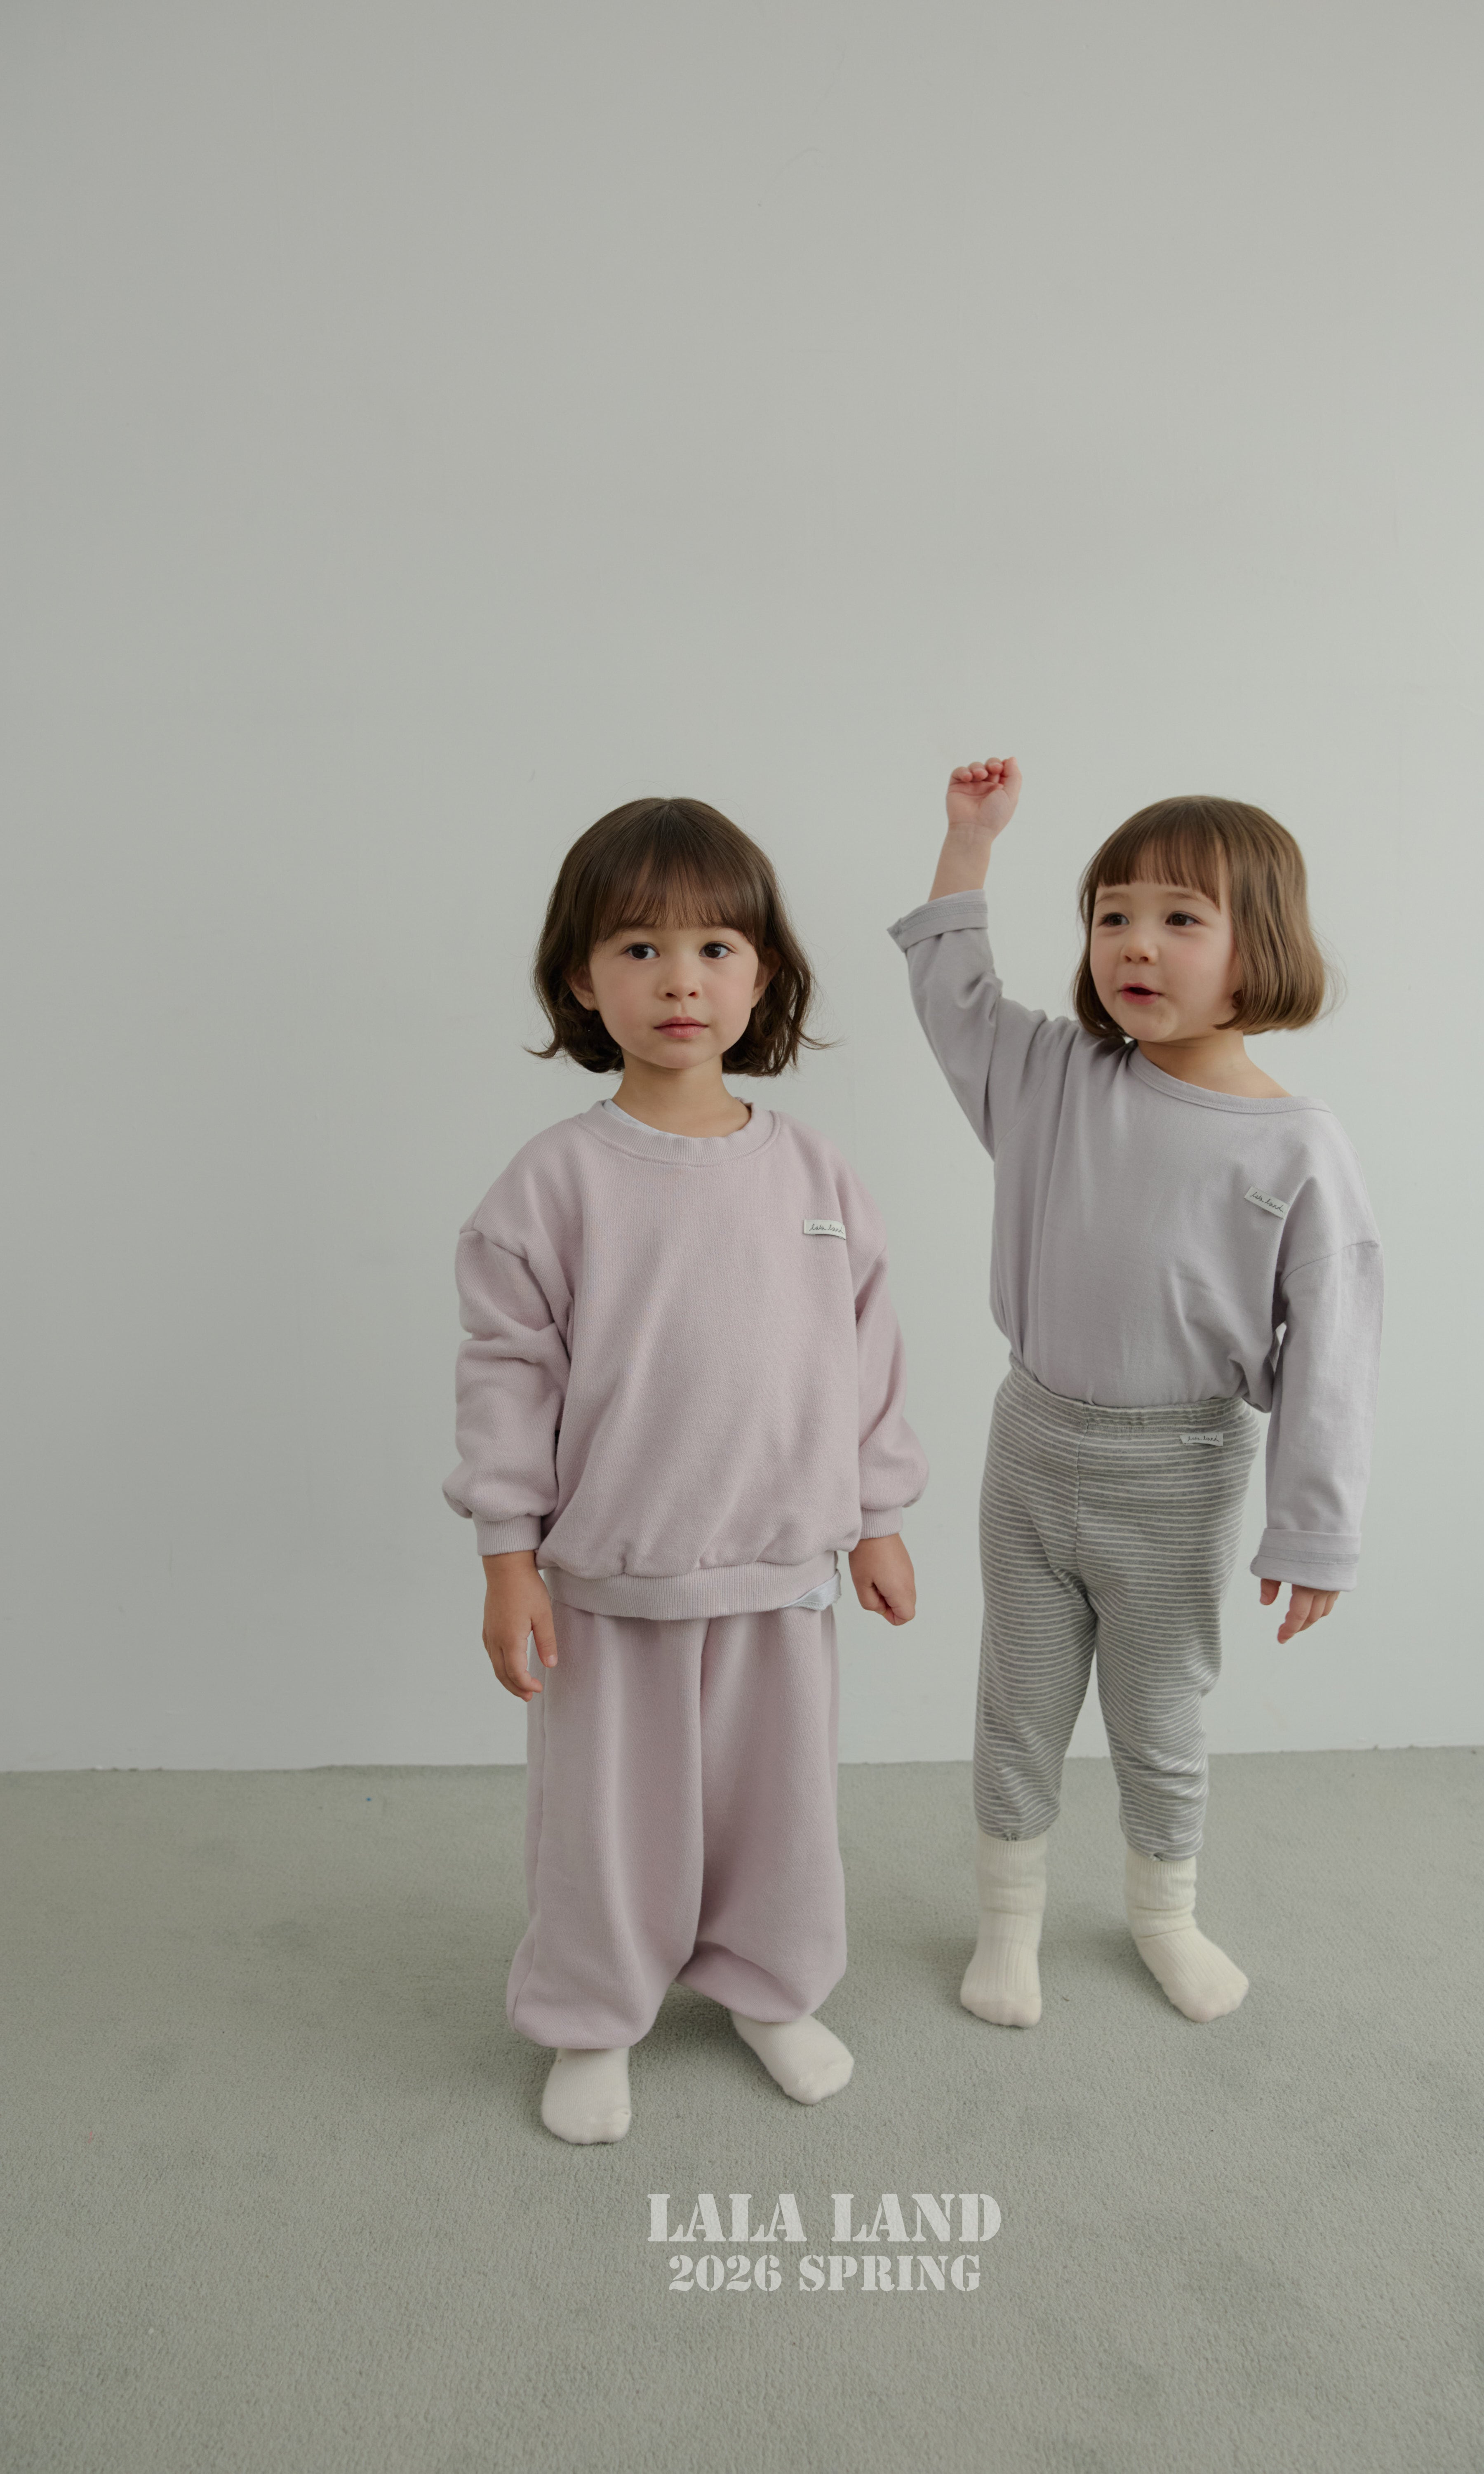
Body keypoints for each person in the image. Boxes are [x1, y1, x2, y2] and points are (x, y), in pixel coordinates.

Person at [446, 797, 926, 2142]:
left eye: (715, 948)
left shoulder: (817, 1172)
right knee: (606, 1825)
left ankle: (772, 1988)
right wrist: (506, 1557)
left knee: (782, 1810)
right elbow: (506, 1377)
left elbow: (869, 1355)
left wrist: (881, 1516)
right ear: (580, 980)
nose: (680, 981)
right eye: (640, 949)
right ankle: (593, 2014)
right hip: (611, 1576)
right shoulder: (552, 1184)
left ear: (763, 977)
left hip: (786, 1565)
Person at [890, 760, 1381, 2027]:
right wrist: (970, 843)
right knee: (1018, 1703)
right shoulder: (1055, 1078)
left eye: (1179, 918)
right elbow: (953, 997)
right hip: (1031, 1451)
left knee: (1160, 1717)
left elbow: (1334, 1353)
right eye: (1112, 916)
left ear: (1258, 948)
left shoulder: (1296, 1145)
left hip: (1180, 1476)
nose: (1135, 945)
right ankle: (1009, 1924)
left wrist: (1314, 1530)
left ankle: (1165, 1915)